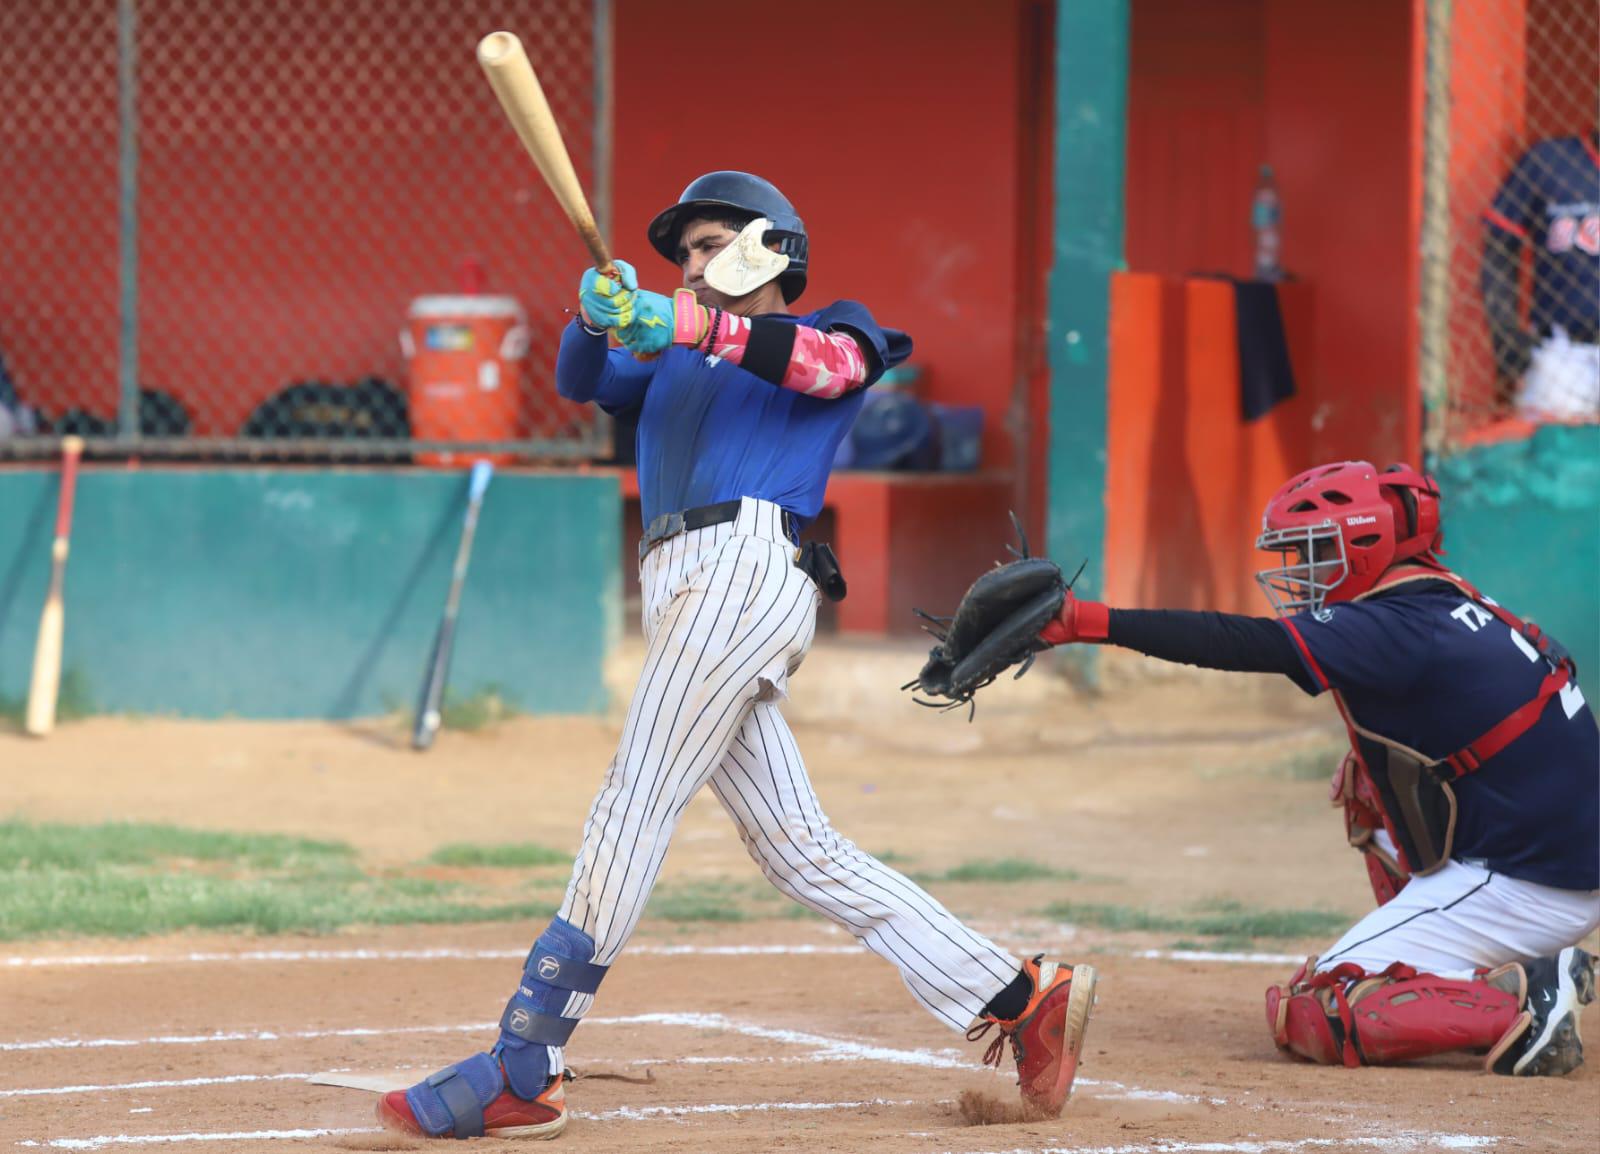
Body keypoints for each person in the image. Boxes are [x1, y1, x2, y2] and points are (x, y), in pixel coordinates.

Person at [375, 170, 1097, 1141]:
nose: (690, 265)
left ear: (773, 248)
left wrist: (689, 321)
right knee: (797, 845)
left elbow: (830, 367)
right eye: (682, 253)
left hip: (745, 562)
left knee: (636, 796)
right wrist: (596, 318)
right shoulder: (675, 357)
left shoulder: (829, 325)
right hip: (681, 577)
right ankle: (1017, 992)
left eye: (710, 244)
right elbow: (583, 383)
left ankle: (523, 1057)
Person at [1034, 460, 1597, 1075]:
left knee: (1318, 1008)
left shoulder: (1394, 623)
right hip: (1555, 852)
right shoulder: (1445, 597)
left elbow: (1245, 643)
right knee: (1365, 778)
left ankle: (1528, 994)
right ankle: (1457, 961)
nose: (1307, 570)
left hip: (1535, 881)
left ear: (1369, 544)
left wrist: (1088, 622)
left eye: (1321, 550)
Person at [1480, 132, 1600, 420]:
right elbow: (1499, 250)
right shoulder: (1549, 161)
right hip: (1563, 353)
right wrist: (1505, 334)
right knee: (1548, 455)